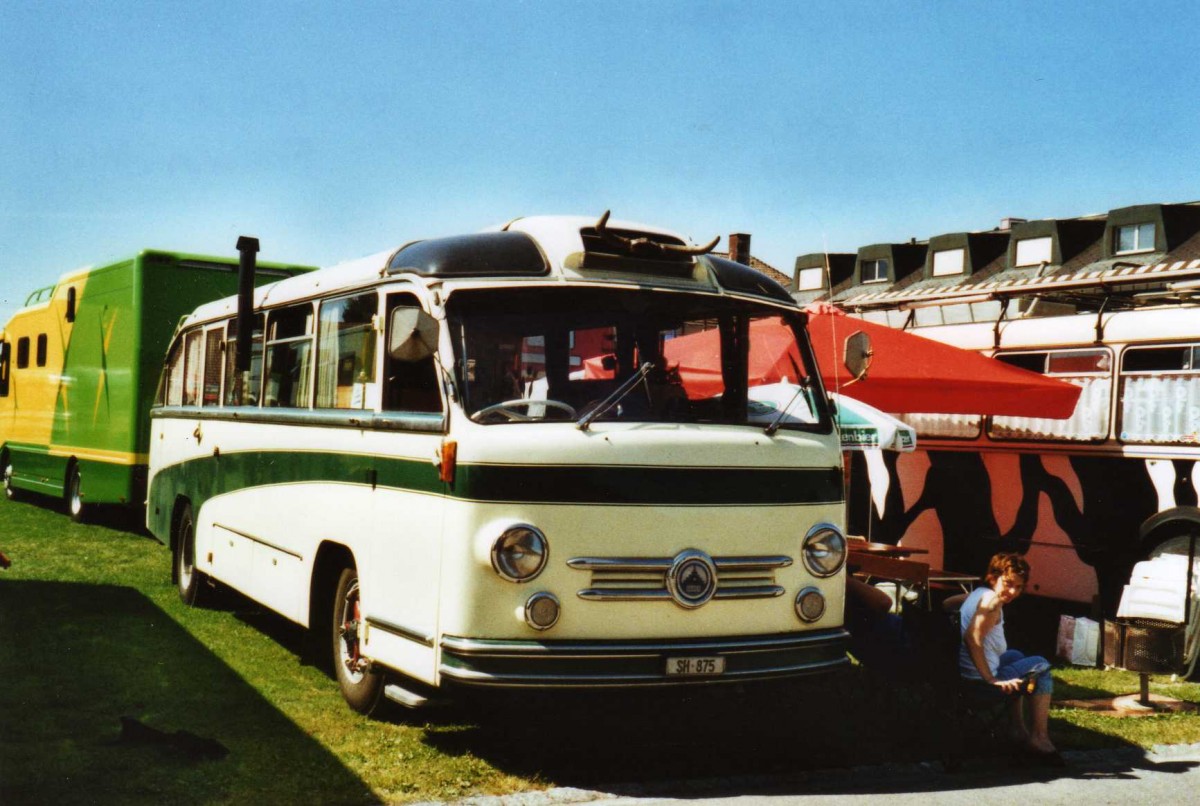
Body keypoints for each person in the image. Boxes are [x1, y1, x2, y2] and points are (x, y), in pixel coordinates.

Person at [959, 552, 1061, 763]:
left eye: (1019, 587)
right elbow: (972, 637)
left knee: (1015, 655)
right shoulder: (992, 603)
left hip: (961, 674)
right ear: (993, 577)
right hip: (978, 684)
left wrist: (965, 606)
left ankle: (1017, 728)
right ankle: (1039, 737)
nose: (1013, 591)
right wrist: (991, 679)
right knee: (1041, 665)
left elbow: (946, 604)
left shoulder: (979, 593)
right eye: (1008, 583)